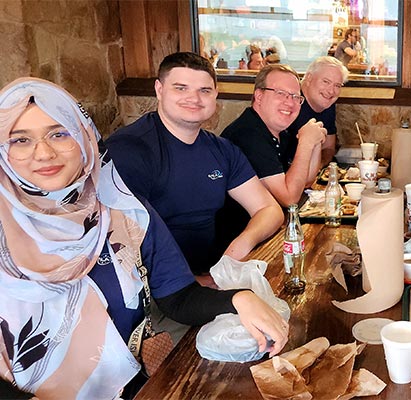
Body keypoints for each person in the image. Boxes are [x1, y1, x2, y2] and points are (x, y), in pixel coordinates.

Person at [0, 77, 288, 399]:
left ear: (83, 136)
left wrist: (238, 299)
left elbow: (178, 297)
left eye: (59, 133)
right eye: (20, 140)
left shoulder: (123, 211)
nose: (44, 153)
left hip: (131, 388)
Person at [105, 52, 283, 276]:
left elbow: (269, 209)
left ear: (215, 94)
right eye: (181, 88)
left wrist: (233, 255)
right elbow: (120, 244)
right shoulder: (129, 149)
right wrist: (193, 285)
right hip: (156, 288)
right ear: (159, 90)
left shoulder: (222, 149)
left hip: (211, 273)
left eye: (204, 91)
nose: (194, 98)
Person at [220, 64, 327, 206]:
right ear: (259, 96)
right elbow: (289, 198)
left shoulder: (279, 130)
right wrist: (306, 143)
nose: (290, 102)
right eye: (280, 93)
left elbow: (305, 181)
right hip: (242, 227)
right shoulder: (248, 134)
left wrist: (315, 141)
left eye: (295, 97)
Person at [287, 56, 349, 167]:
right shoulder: (289, 103)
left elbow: (328, 147)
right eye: (326, 82)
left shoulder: (327, 103)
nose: (331, 91)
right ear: (309, 78)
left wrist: (318, 166)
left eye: (337, 85)